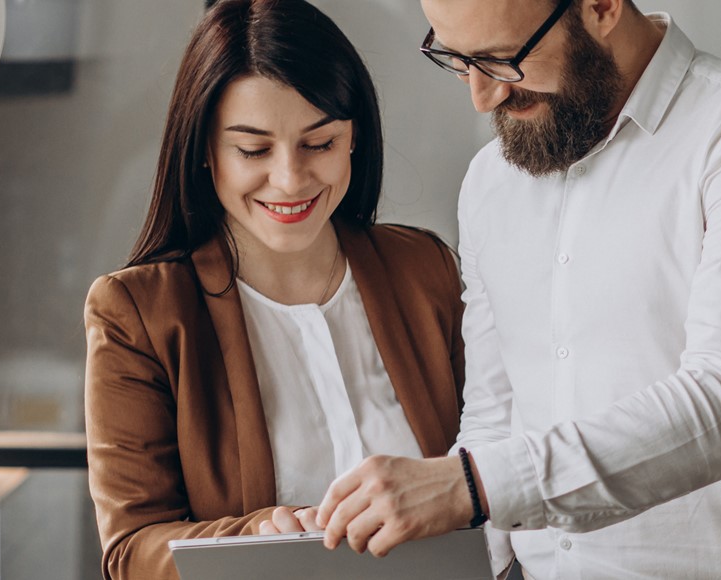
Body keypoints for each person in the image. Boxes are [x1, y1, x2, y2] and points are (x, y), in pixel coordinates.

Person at [314, 0, 721, 577]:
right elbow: (496, 415)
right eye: (457, 59)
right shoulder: (489, 182)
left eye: (502, 59)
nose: (481, 96)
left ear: (601, 7)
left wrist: (471, 486)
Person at [82, 1, 466, 578]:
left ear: (354, 137)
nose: (290, 178)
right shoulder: (137, 314)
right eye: (253, 149)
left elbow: (499, 466)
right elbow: (131, 550)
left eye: (320, 144)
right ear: (205, 151)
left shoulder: (426, 269)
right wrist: (262, 539)